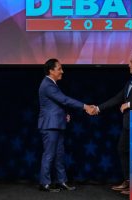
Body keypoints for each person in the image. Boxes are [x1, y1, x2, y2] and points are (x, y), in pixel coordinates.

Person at [91, 54, 132, 195]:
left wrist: (129, 104)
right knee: (122, 150)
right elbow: (117, 98)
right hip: (129, 124)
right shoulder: (131, 81)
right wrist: (98, 108)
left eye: (131, 62)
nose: (129, 65)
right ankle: (128, 181)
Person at [38, 58, 94, 192]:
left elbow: (56, 104)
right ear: (51, 71)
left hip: (56, 124)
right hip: (50, 125)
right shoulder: (47, 84)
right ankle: (45, 183)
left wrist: (63, 115)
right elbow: (64, 100)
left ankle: (62, 181)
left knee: (59, 155)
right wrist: (85, 106)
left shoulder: (52, 84)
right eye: (59, 69)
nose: (62, 71)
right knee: (49, 155)